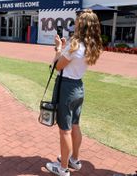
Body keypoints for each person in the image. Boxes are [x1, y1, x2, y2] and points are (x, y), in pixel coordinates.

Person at [45, 9, 103, 176]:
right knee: (75, 125)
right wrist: (64, 47)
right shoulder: (91, 45)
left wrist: (58, 48)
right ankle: (74, 160)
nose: (75, 23)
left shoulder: (75, 44)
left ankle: (62, 168)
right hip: (78, 87)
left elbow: (57, 66)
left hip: (66, 87)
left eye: (77, 21)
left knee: (65, 130)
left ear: (82, 25)